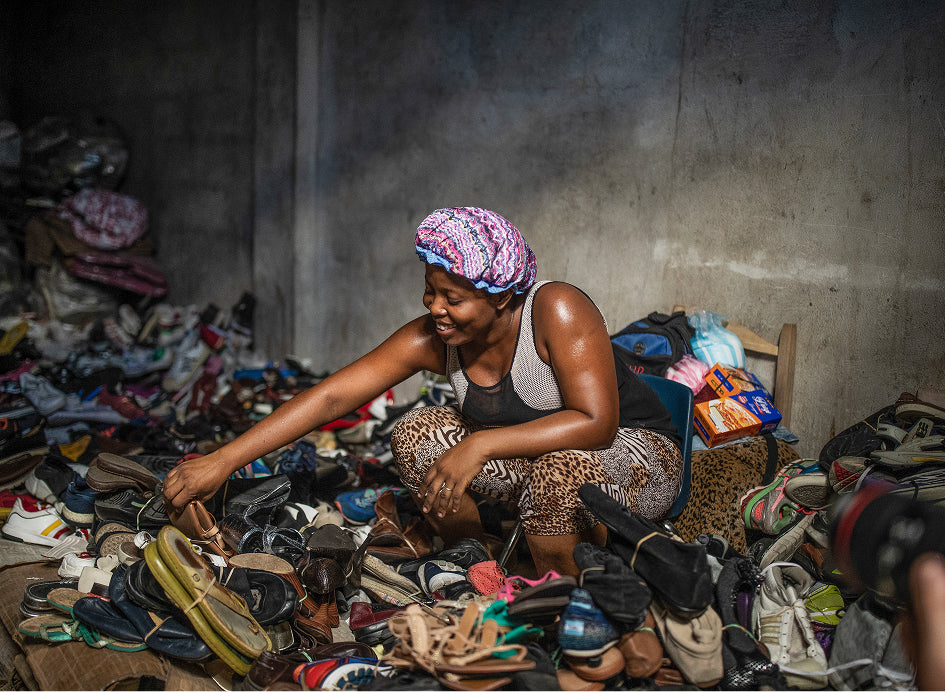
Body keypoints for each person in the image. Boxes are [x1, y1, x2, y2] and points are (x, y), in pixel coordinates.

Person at [162, 207, 682, 576]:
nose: (435, 307)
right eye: (431, 291)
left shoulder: (557, 310)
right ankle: (475, 565)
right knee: (415, 433)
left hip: (636, 455)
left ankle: (566, 600)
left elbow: (597, 423)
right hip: (536, 453)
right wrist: (223, 460)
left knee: (555, 473)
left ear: (501, 298)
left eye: (452, 297)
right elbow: (331, 398)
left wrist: (479, 445)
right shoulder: (435, 337)